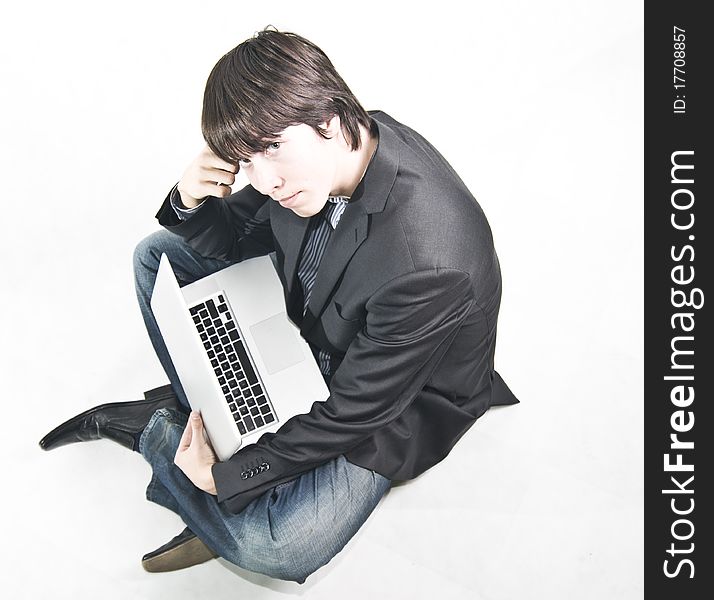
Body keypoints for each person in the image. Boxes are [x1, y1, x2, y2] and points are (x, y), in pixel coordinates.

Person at [40, 28, 519, 582]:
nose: (263, 181)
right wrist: (191, 199)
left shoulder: (431, 260)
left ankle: (162, 433)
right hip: (318, 321)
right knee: (158, 256)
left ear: (332, 121)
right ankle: (216, 418)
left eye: (270, 148)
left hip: (389, 402)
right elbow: (239, 238)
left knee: (279, 548)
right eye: (246, 159)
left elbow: (355, 412)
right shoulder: (322, 157)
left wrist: (227, 478)